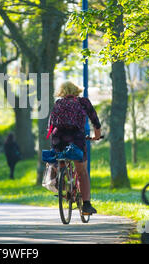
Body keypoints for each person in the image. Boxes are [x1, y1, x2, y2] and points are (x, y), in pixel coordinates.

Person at [48, 81, 102, 215]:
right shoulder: (83, 102)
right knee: (82, 171)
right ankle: (86, 206)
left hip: (58, 138)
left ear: (62, 92)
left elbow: (50, 124)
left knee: (60, 161)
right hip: (76, 138)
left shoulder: (58, 103)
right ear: (77, 91)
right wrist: (97, 136)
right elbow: (95, 120)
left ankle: (62, 182)